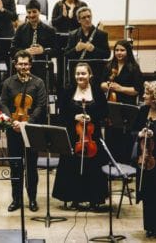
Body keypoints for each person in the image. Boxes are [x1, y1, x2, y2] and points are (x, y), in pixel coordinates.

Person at [52, 62, 108, 210]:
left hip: (92, 135)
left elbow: (104, 112)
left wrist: (92, 117)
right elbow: (61, 114)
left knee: (93, 167)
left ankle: (94, 199)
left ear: (90, 75)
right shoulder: (69, 91)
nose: (80, 76)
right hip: (74, 135)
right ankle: (74, 198)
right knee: (71, 166)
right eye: (77, 74)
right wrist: (74, 117)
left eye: (83, 73)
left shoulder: (97, 91)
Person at [0, 50, 46, 212]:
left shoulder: (38, 83)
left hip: (31, 129)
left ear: (30, 64)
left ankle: (32, 199)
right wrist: (12, 121)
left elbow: (41, 106)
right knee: (15, 165)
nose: (23, 66)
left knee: (31, 166)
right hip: (13, 129)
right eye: (20, 63)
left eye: (26, 63)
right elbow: (3, 104)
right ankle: (16, 199)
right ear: (15, 65)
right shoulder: (8, 83)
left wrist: (27, 122)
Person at [100, 40, 143, 164]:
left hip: (126, 107)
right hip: (111, 106)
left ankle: (124, 166)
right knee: (111, 134)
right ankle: (111, 164)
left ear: (128, 51)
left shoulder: (133, 68)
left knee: (124, 137)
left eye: (122, 50)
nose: (119, 53)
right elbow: (101, 83)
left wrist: (120, 88)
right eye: (117, 50)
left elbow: (137, 90)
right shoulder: (109, 66)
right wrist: (107, 86)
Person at [132, 81, 156, 239]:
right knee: (148, 193)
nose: (143, 96)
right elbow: (132, 131)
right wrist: (140, 134)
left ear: (155, 98)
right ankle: (149, 226)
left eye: (147, 94)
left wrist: (153, 132)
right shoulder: (143, 110)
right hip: (145, 158)